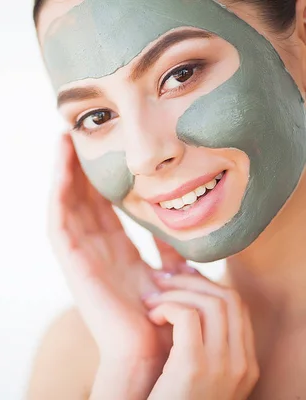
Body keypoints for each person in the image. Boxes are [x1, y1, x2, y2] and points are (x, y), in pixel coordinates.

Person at [26, 0, 306, 398]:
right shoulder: (88, 357)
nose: (143, 156)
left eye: (180, 75)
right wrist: (132, 371)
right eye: (97, 117)